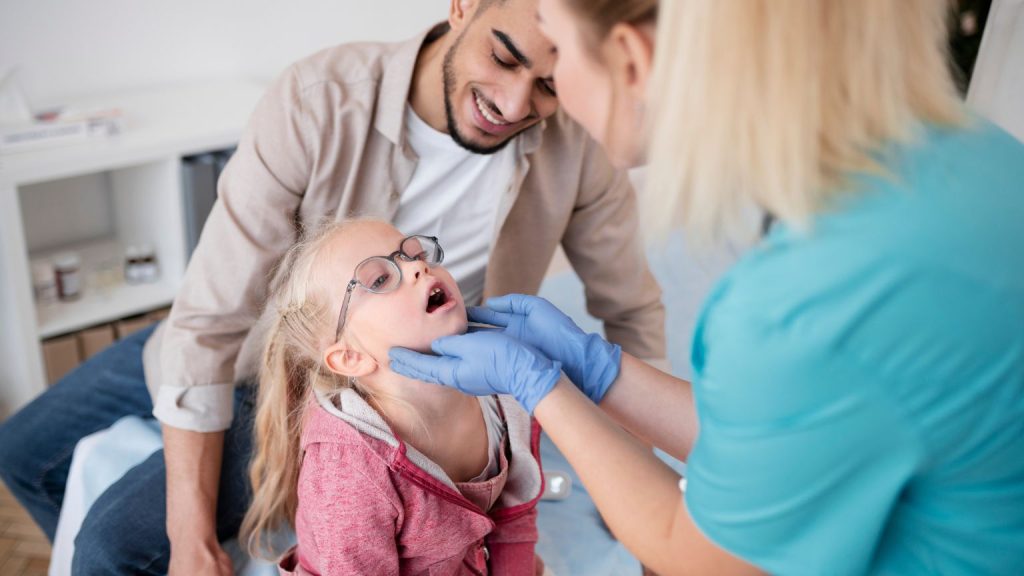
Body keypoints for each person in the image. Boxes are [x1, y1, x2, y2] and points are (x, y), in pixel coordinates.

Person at [0, 0, 666, 572]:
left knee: (111, 545)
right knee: (23, 450)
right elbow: (209, 316)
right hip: (253, 330)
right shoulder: (317, 99)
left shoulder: (575, 147)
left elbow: (631, 311)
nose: (516, 103)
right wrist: (192, 542)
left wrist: (643, 490)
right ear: (464, 4)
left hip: (331, 373)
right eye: (504, 56)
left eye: (549, 84)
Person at [389, 0, 1024, 574]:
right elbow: (784, 439)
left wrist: (543, 388)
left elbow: (701, 558)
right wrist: (596, 368)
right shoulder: (974, 153)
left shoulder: (805, 303)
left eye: (557, 50)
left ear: (631, 60)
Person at [241, 220, 545, 575]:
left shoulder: (503, 392)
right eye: (380, 280)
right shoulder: (351, 474)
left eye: (414, 254)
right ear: (351, 357)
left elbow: (515, 516)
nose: (418, 267)